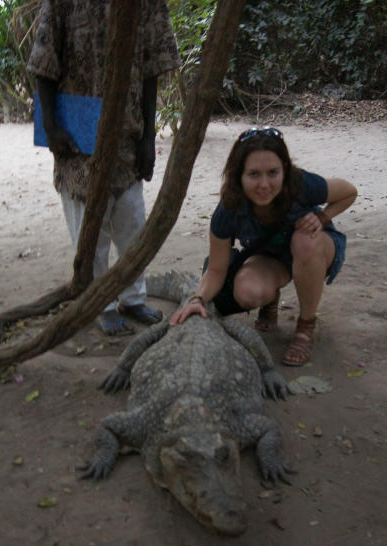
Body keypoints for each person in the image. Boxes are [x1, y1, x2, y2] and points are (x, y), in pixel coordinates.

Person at [28, 0, 180, 335]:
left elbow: (153, 67)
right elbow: (43, 63)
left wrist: (148, 138)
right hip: (77, 133)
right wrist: (51, 127)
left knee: (132, 223)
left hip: (128, 132)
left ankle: (133, 297)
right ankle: (102, 304)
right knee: (89, 231)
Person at [170, 127, 357, 367]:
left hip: (314, 246)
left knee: (305, 241)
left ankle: (306, 325)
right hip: (271, 256)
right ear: (239, 175)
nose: (264, 184)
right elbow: (216, 269)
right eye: (254, 174)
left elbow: (349, 192)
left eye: (273, 173)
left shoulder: (301, 184)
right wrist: (197, 299)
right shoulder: (228, 209)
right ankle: (270, 297)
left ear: (285, 170)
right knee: (247, 291)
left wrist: (322, 218)